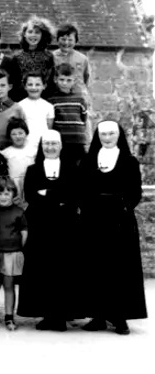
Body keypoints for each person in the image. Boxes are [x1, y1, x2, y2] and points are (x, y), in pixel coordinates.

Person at [78, 121, 148, 335]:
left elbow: (135, 191)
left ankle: (119, 317)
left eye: (111, 133)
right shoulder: (89, 161)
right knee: (96, 267)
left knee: (119, 268)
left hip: (119, 221)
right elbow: (81, 188)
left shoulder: (129, 161)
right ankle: (98, 316)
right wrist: (86, 208)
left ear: (118, 135)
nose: (107, 137)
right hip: (94, 220)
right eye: (103, 134)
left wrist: (125, 208)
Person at [17, 129, 82, 330]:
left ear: (61, 146)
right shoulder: (33, 170)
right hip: (40, 227)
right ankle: (46, 314)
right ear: (41, 146)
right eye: (46, 144)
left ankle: (61, 315)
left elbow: (72, 196)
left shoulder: (71, 168)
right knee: (41, 269)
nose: (50, 147)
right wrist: (58, 197)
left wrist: (48, 193)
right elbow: (30, 195)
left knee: (63, 270)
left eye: (54, 144)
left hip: (65, 227)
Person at [0, 176, 27, 331]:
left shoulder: (19, 212)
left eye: (7, 193)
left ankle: (9, 317)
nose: (3, 196)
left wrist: (16, 248)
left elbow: (24, 233)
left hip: (11, 253)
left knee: (9, 286)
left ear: (13, 194)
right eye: (0, 193)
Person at [49, 63, 89, 167]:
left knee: (80, 168)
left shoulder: (80, 100)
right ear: (55, 79)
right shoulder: (52, 101)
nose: (65, 83)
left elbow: (84, 119)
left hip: (78, 142)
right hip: (62, 142)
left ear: (74, 81)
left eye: (68, 80)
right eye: (62, 80)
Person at [12, 16, 55, 94]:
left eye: (37, 32)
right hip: (22, 97)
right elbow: (15, 81)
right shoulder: (17, 57)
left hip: (43, 97)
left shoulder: (48, 56)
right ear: (24, 34)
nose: (33, 35)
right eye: (30, 32)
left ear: (43, 35)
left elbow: (50, 81)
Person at [0, 118, 35, 206]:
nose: (18, 136)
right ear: (9, 136)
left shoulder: (34, 151)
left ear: (26, 133)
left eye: (20, 133)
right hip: (13, 185)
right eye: (14, 134)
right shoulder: (6, 153)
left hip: (29, 184)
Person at [17, 71, 54, 156]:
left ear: (44, 86)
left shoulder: (49, 106)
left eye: (37, 84)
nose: (33, 88)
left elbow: (49, 127)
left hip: (43, 146)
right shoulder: (19, 106)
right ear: (25, 86)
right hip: (25, 146)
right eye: (30, 84)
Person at [52, 23, 90, 99]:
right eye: (63, 39)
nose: (66, 43)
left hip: (77, 97)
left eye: (70, 40)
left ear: (75, 41)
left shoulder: (82, 59)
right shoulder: (51, 57)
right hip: (57, 97)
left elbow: (86, 78)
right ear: (57, 39)